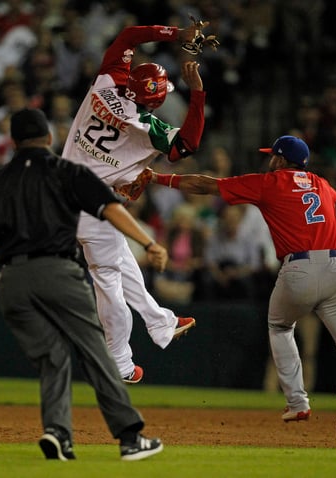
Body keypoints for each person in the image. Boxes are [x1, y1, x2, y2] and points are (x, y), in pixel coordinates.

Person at [145, 135, 336, 447]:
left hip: (298, 267)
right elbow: (330, 199)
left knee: (279, 326)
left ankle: (297, 403)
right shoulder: (322, 184)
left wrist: (158, 178)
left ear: (279, 159)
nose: (269, 159)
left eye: (272, 155)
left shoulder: (270, 182)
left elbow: (204, 185)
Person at [0, 108, 165, 461]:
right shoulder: (65, 169)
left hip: (10, 281)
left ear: (16, 141)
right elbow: (110, 208)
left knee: (53, 358)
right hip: (57, 273)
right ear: (49, 137)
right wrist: (147, 243)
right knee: (96, 352)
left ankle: (58, 433)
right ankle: (130, 437)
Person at [61, 22, 213, 383]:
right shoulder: (150, 128)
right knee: (108, 280)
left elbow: (129, 36)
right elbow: (187, 146)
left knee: (121, 263)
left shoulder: (106, 84)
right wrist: (197, 94)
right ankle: (120, 362)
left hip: (63, 191)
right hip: (94, 206)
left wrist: (176, 34)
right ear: (158, 100)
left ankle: (160, 322)